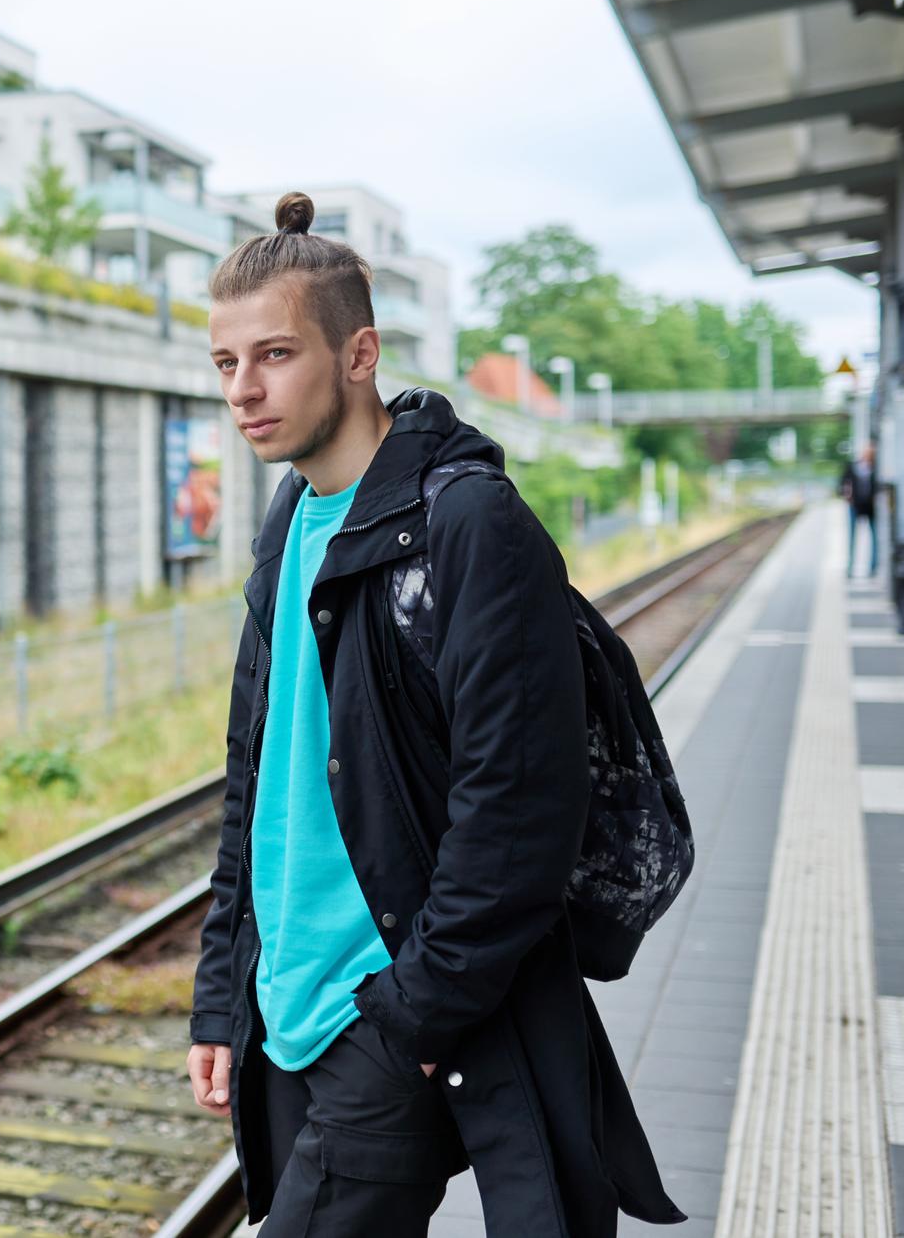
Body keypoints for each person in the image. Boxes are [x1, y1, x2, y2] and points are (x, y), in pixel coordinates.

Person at [183, 193, 683, 1236]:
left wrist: (409, 1013)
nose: (243, 390)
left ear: (357, 352)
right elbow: (256, 777)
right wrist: (221, 995)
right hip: (285, 1008)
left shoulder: (465, 523)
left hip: (386, 1005)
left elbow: (516, 808)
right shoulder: (287, 524)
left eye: (272, 355)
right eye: (225, 363)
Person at [841, 443, 879, 578]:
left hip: (870, 507)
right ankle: (851, 567)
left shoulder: (876, 468)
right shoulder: (852, 466)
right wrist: (846, 496)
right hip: (855, 505)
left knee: (875, 537)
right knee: (852, 537)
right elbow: (843, 482)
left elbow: (877, 486)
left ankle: (873, 567)